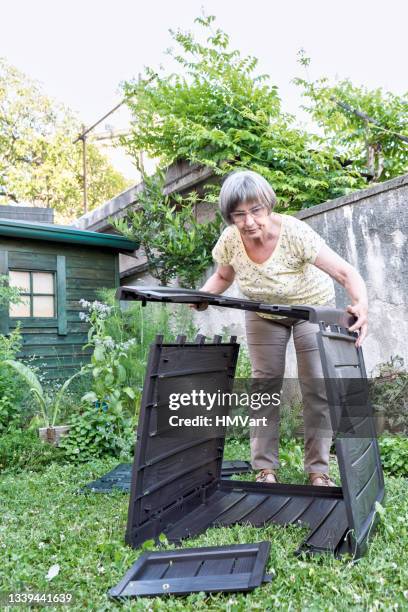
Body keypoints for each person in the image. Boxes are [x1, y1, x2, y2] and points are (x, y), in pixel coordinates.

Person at [192, 170, 368, 486]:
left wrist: (361, 304)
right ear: (230, 216)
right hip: (262, 312)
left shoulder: (295, 234)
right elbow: (223, 276)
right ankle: (265, 469)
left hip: (309, 310)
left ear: (268, 206)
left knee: (315, 385)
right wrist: (204, 296)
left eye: (256, 210)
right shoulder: (231, 239)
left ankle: (318, 471)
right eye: (238, 214)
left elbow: (345, 273)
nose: (248, 221)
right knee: (264, 386)